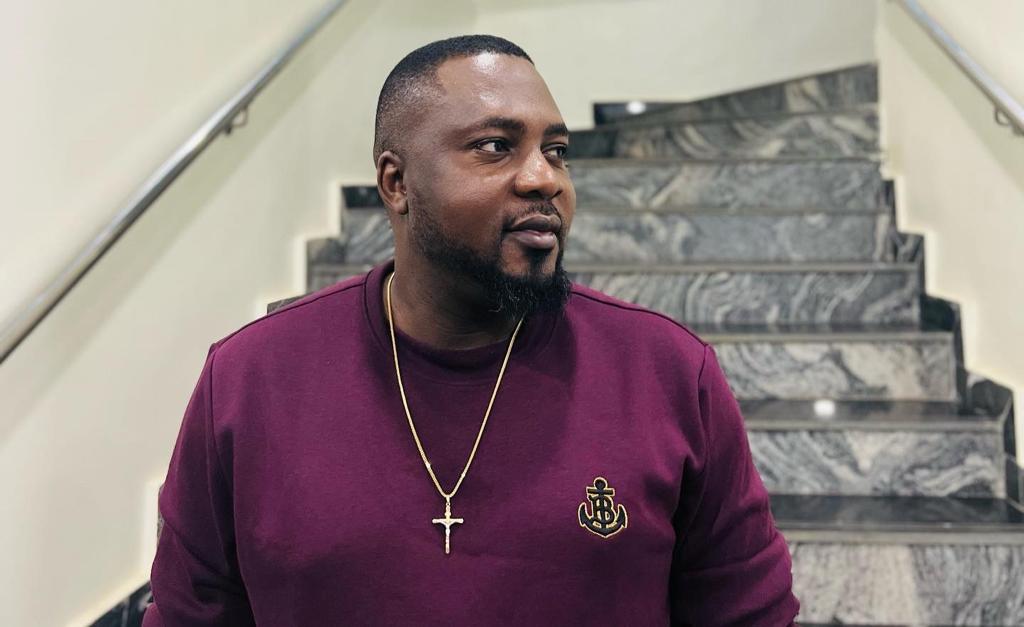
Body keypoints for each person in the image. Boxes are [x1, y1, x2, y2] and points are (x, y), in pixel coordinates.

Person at [144, 35, 800, 626]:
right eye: (495, 146)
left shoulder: (669, 372)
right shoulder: (250, 379)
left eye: (557, 151)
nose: (544, 178)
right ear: (396, 182)